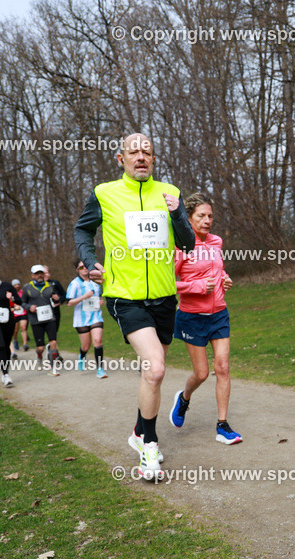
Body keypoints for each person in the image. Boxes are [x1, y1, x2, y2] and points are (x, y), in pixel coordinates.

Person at [74, 133, 195, 481]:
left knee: (152, 374)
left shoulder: (169, 193)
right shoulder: (104, 193)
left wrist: (177, 216)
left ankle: (139, 430)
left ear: (153, 159)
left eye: (147, 152)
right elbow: (83, 231)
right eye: (133, 152)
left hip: (164, 297)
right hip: (124, 296)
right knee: (155, 369)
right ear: (120, 158)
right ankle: (150, 447)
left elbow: (187, 243)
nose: (140, 157)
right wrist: (89, 260)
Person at [167, 193, 242, 445]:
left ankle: (222, 425)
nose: (207, 220)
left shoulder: (216, 242)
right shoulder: (180, 246)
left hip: (219, 313)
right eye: (201, 216)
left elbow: (217, 270)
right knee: (201, 373)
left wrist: (225, 278)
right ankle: (184, 398)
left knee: (222, 367)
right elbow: (168, 283)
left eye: (210, 216)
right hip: (191, 317)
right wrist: (197, 286)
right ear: (188, 219)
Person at [66, 259, 108, 379]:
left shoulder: (96, 282)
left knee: (97, 341)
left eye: (85, 266)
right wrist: (83, 297)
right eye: (81, 267)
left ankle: (100, 369)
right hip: (81, 319)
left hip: (96, 316)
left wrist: (100, 301)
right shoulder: (74, 284)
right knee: (86, 346)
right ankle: (82, 355)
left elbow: (99, 296)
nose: (84, 268)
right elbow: (69, 302)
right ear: (77, 270)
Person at [22, 264, 62, 375]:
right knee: (40, 347)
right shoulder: (27, 288)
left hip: (50, 318)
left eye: (41, 273)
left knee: (53, 342)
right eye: (36, 273)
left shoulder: (49, 286)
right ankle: (39, 356)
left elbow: (56, 299)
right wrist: (29, 308)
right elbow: (22, 302)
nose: (39, 275)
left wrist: (56, 298)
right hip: (36, 321)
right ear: (32, 275)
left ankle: (53, 367)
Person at [10, 279, 29, 353]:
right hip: (15, 313)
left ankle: (25, 344)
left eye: (18, 284)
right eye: (15, 285)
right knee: (15, 330)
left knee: (24, 328)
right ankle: (15, 340)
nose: (17, 286)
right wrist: (14, 306)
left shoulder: (23, 292)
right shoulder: (11, 294)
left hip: (23, 312)